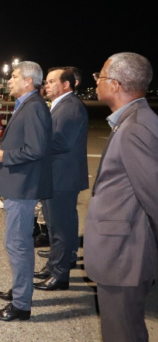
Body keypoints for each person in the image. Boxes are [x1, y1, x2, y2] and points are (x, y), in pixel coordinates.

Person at [84, 52, 158, 342]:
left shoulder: (135, 128)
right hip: (124, 255)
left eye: (99, 76)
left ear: (114, 85)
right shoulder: (133, 120)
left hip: (124, 259)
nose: (97, 81)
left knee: (122, 335)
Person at [0, 61, 52, 321]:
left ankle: (21, 305)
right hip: (20, 184)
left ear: (28, 81)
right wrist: (1, 150)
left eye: (14, 76)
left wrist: (5, 156)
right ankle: (19, 290)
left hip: (23, 187)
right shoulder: (27, 104)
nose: (9, 80)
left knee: (17, 245)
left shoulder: (34, 107)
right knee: (18, 243)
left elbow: (37, 149)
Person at [33, 67, 88, 291]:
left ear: (66, 85)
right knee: (56, 226)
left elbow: (61, 142)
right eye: (46, 81)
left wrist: (33, 146)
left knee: (61, 227)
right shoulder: (62, 105)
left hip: (62, 178)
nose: (46, 86)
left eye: (51, 81)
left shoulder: (70, 107)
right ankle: (55, 265)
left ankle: (60, 275)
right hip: (57, 176)